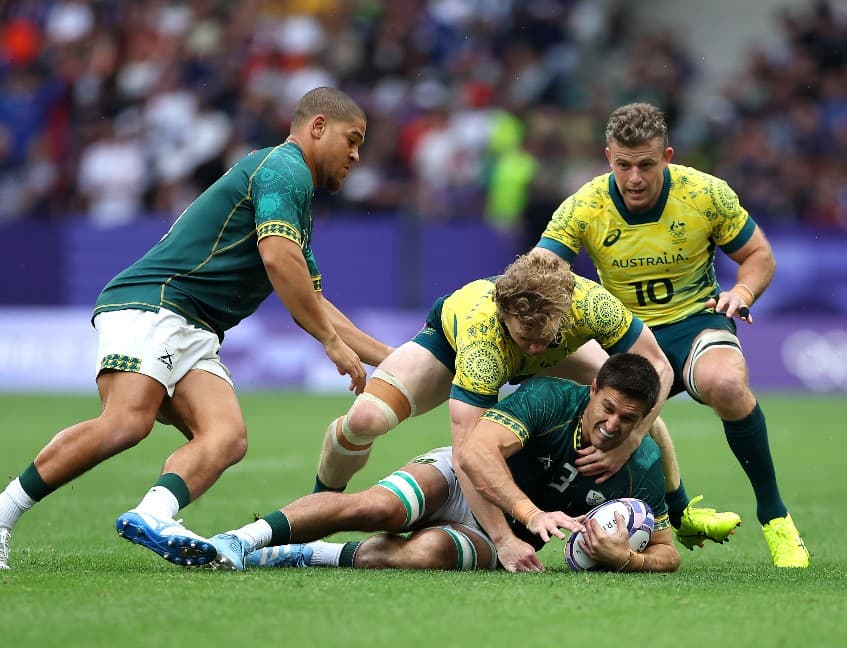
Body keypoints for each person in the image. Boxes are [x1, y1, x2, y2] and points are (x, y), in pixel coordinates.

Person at [0, 87, 393, 570]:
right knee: (127, 421)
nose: (356, 155)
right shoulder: (284, 168)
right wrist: (332, 345)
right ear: (317, 127)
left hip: (195, 327)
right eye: (351, 139)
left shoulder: (291, 194)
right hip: (157, 303)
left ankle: (154, 514)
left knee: (227, 436)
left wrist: (399, 363)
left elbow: (313, 299)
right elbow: (278, 260)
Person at [308, 251, 731, 571]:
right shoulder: (484, 337)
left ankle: (680, 510)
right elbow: (469, 451)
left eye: (541, 336)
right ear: (506, 316)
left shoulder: (591, 304)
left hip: (553, 352)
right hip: (455, 347)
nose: (531, 346)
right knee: (365, 420)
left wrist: (631, 441)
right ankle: (320, 502)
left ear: (561, 315)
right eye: (524, 336)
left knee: (622, 398)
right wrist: (502, 537)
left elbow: (656, 367)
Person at [532, 102, 809, 567]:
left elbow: (759, 255)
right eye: (623, 165)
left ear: (668, 157)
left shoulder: (705, 194)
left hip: (694, 322)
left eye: (646, 164)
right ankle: (678, 517)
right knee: (603, 426)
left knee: (726, 383)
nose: (634, 178)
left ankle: (776, 519)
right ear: (608, 158)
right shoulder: (584, 206)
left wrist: (742, 291)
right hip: (622, 335)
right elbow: (541, 271)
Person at [201, 353, 680, 573]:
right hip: (462, 480)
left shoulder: (643, 465)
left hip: (509, 540)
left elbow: (667, 552)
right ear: (593, 390)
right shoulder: (552, 397)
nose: (614, 425)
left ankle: (303, 553)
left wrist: (629, 559)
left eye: (629, 419)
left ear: (643, 419)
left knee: (427, 553)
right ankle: (238, 540)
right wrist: (531, 514)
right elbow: (477, 451)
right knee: (377, 509)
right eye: (608, 408)